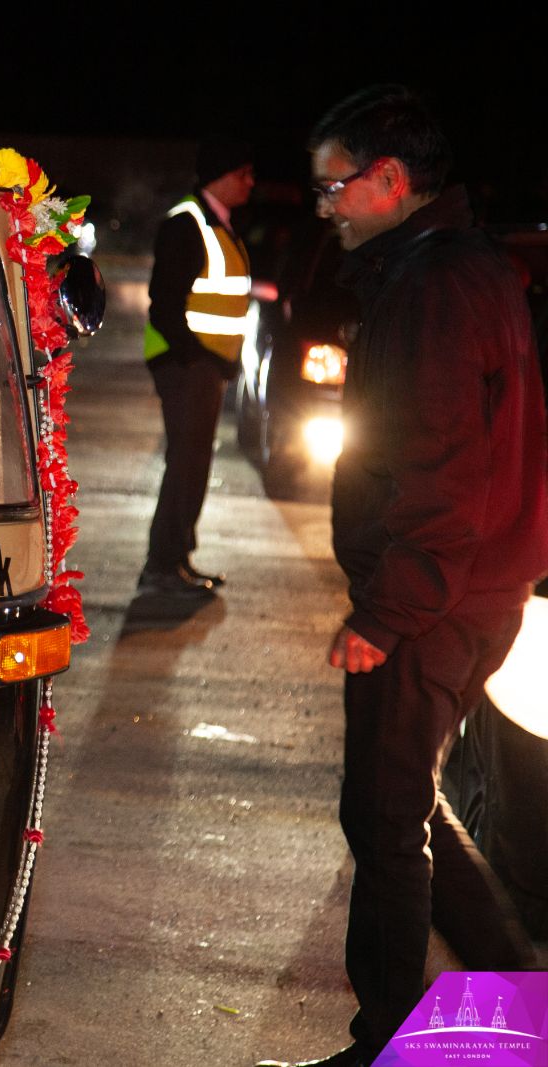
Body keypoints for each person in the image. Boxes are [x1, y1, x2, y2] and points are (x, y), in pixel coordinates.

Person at [258, 85, 548, 1067]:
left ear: (389, 180)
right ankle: (516, 995)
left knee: (381, 813)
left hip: (437, 599)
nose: (324, 205)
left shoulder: (431, 287)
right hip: (472, 593)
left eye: (334, 186)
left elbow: (443, 475)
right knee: (398, 802)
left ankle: (390, 1038)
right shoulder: (466, 266)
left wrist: (386, 612)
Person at [139, 140, 255, 598]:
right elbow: (163, 303)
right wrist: (196, 358)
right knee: (185, 463)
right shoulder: (187, 224)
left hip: (207, 366)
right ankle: (162, 565)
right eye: (244, 173)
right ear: (220, 176)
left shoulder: (216, 224)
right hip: (189, 366)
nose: (251, 182)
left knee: (194, 464)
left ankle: (178, 560)